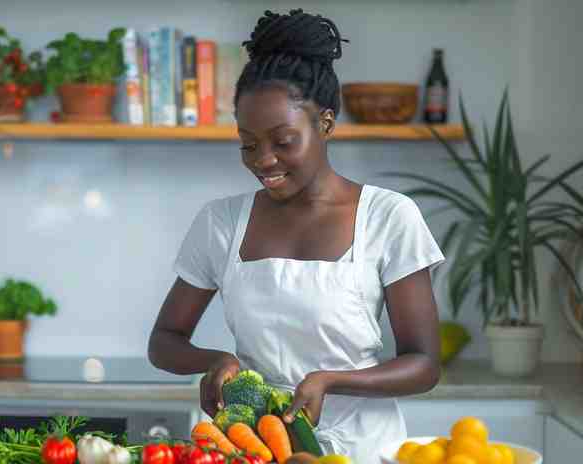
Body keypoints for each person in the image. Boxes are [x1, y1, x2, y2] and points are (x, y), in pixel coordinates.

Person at [147, 9, 445, 463]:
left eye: (283, 141)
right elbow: (164, 340)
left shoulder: (388, 216)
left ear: (324, 123)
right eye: (248, 144)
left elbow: (424, 364)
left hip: (362, 447)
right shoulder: (222, 222)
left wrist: (332, 380)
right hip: (252, 446)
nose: (263, 160)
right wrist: (213, 361)